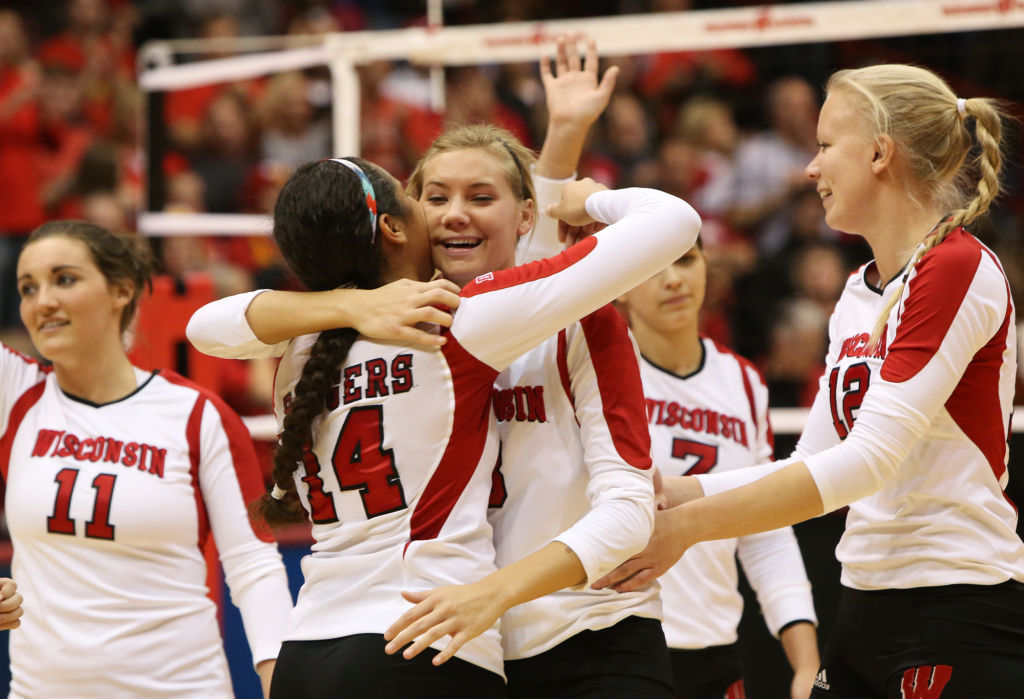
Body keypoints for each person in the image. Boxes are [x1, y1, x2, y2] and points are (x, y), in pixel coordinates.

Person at [191, 36, 682, 697]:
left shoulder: (309, 340)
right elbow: (647, 228)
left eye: (479, 196)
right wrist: (585, 200)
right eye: (432, 196)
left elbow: (208, 326)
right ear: (398, 224)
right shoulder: (452, 318)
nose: (452, 214)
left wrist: (561, 142)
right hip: (435, 633)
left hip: (567, 636)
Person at [594, 64, 1024, 698]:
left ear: (880, 153)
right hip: (864, 601)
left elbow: (864, 465)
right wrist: (679, 493)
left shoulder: (957, 268)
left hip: (953, 606)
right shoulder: (858, 293)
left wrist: (689, 529)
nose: (809, 168)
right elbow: (814, 460)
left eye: (825, 145)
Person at [3, 220, 291, 698]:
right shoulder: (15, 394)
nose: (42, 301)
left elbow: (254, 567)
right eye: (27, 288)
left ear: (122, 291)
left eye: (64, 279)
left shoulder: (196, 415)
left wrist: (278, 682)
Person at [617, 240, 820, 699]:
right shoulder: (596, 370)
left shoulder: (743, 380)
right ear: (620, 284)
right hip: (618, 643)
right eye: (652, 266)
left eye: (686, 260)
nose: (673, 279)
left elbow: (763, 524)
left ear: (707, 266)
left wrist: (805, 663)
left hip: (715, 647)